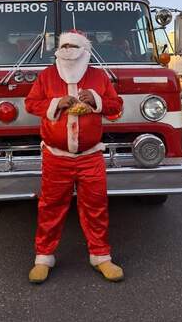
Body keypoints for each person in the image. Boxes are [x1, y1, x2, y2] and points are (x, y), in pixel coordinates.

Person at [25, 30, 124, 284]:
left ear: (84, 50)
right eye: (64, 45)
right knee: (50, 206)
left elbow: (116, 107)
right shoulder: (47, 76)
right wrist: (56, 103)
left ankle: (101, 256)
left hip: (91, 156)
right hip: (56, 156)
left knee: (96, 206)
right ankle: (43, 257)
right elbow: (31, 103)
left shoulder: (98, 77)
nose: (68, 49)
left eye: (73, 45)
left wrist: (97, 99)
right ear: (58, 49)